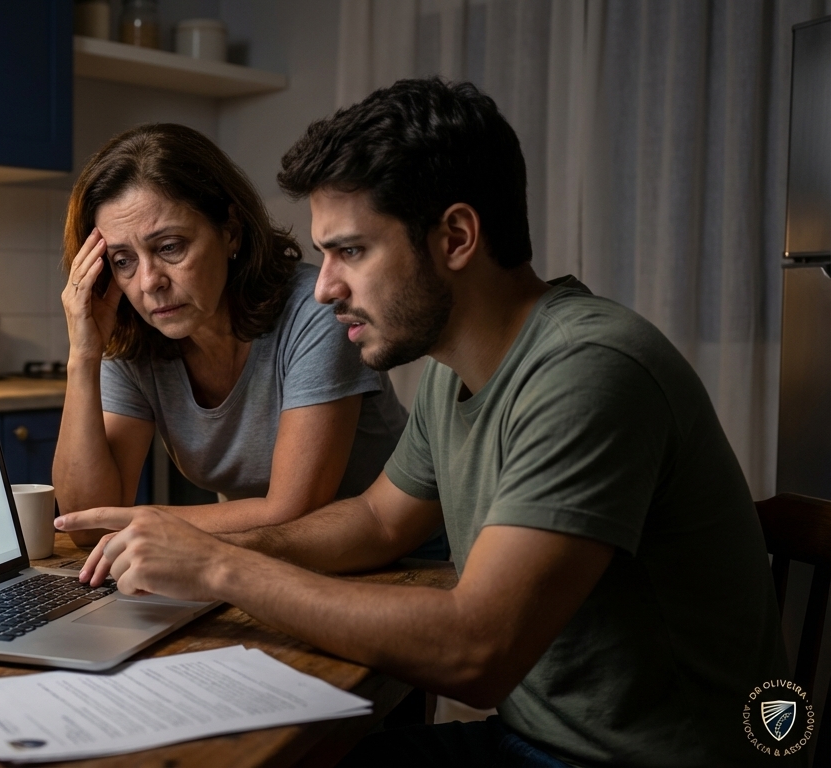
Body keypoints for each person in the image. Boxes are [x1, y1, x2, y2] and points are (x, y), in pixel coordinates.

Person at [55, 79, 792, 768]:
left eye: (350, 251)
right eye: (324, 255)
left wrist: (220, 565)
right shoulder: (455, 369)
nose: (325, 287)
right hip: (538, 737)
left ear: (457, 237)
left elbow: (479, 653)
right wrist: (198, 551)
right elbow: (376, 523)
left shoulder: (589, 369)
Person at [53, 123, 427, 552]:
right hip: (255, 557)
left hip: (395, 560)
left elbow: (292, 510)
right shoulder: (137, 334)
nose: (149, 282)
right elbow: (85, 524)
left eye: (170, 247)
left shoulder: (316, 309)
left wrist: (140, 523)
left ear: (230, 231)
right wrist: (83, 355)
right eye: (123, 261)